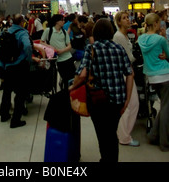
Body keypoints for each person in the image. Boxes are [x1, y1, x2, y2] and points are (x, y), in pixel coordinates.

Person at [69, 18, 134, 162]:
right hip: (117, 100)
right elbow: (130, 74)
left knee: (103, 134)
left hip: (98, 100)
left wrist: (71, 87)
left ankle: (106, 159)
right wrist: (127, 99)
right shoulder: (119, 48)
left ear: (96, 33)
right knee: (111, 133)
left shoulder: (92, 48)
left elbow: (82, 74)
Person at [138, 12, 169, 152]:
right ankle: (165, 143)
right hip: (165, 75)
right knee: (166, 109)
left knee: (165, 107)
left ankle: (153, 135)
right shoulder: (160, 39)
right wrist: (164, 38)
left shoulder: (141, 39)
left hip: (151, 77)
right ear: (156, 24)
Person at [0, 14, 32, 128]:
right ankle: (16, 120)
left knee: (7, 92)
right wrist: (28, 59)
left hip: (8, 67)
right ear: (22, 23)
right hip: (19, 66)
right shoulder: (22, 33)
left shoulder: (5, 32)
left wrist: (2, 63)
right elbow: (27, 46)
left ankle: (4, 115)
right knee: (20, 94)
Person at [113, 11, 140, 147]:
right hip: (125, 74)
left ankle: (123, 134)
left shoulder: (124, 36)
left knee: (131, 104)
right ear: (118, 22)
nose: (128, 20)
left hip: (127, 72)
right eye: (124, 18)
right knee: (130, 105)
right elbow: (128, 57)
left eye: (128, 17)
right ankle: (124, 137)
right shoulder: (119, 37)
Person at [41, 14, 76, 90]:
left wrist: (62, 50)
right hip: (59, 60)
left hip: (68, 57)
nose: (64, 21)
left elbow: (69, 45)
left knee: (72, 78)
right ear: (57, 21)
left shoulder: (64, 32)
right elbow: (42, 42)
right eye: (62, 20)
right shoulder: (48, 30)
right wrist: (52, 48)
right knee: (65, 78)